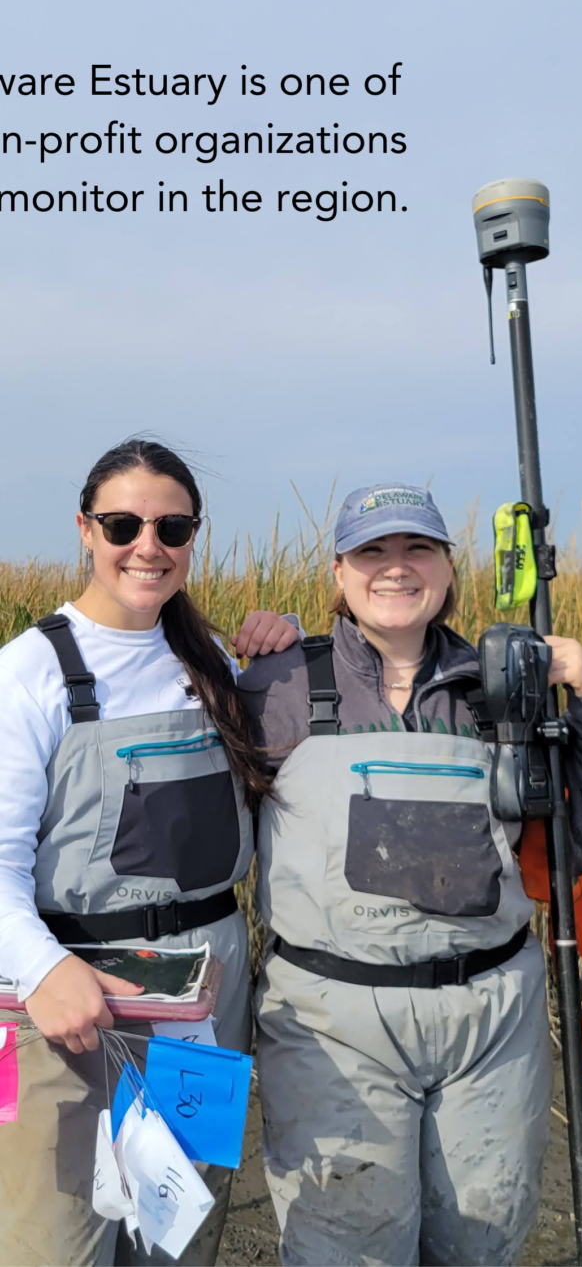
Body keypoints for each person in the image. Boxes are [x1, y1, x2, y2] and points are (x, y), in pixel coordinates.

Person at [238, 482, 582, 1267]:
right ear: (339, 571)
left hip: (490, 1019)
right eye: (372, 551)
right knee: (347, 1243)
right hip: (329, 1020)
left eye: (417, 548)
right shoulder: (274, 686)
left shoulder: (506, 686)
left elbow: (572, 846)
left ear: (448, 568)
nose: (396, 567)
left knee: (479, 1235)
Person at [0, 437, 302, 1267]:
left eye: (172, 528)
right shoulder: (28, 674)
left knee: (180, 1235)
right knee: (51, 1243)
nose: (148, 546)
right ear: (85, 530)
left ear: (193, 536)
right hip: (65, 1007)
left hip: (204, 1003)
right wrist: (43, 973)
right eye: (122, 524)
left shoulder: (213, 665)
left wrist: (289, 648)